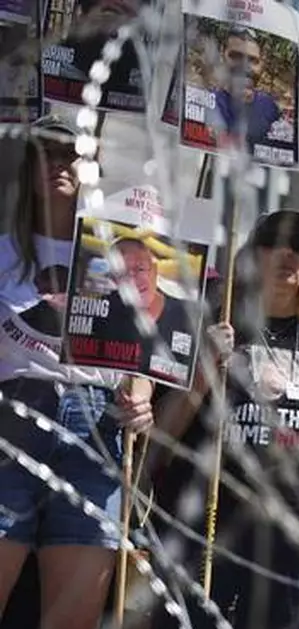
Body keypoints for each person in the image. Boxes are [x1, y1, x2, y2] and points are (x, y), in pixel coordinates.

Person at [149, 211, 299, 628]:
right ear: (251, 256)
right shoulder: (213, 323)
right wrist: (204, 370)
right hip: (213, 518)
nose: (289, 254)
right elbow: (162, 435)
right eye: (275, 243)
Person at [0, 115, 155, 628]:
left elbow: (143, 352)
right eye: (45, 152)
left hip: (96, 425)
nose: (59, 164)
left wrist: (141, 394)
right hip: (13, 418)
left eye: (71, 154)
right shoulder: (2, 251)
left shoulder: (122, 257)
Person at [105, 236, 197, 381]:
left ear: (154, 270)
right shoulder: (104, 315)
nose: (134, 281)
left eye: (140, 269)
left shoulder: (189, 315)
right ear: (114, 282)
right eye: (123, 275)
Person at [212, 26, 284, 147]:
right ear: (222, 54)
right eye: (236, 56)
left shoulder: (270, 108)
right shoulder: (209, 105)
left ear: (262, 64)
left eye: (253, 60)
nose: (245, 67)